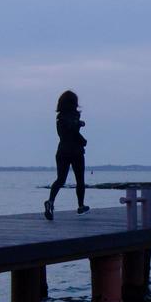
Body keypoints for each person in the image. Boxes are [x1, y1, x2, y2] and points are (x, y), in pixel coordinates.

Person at [44, 89, 88, 220]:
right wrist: (82, 139)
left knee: (60, 179)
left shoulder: (59, 118)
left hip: (62, 150)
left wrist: (78, 127)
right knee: (80, 180)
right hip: (75, 151)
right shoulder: (74, 116)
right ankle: (80, 206)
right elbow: (73, 132)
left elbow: (65, 134)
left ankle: (50, 201)